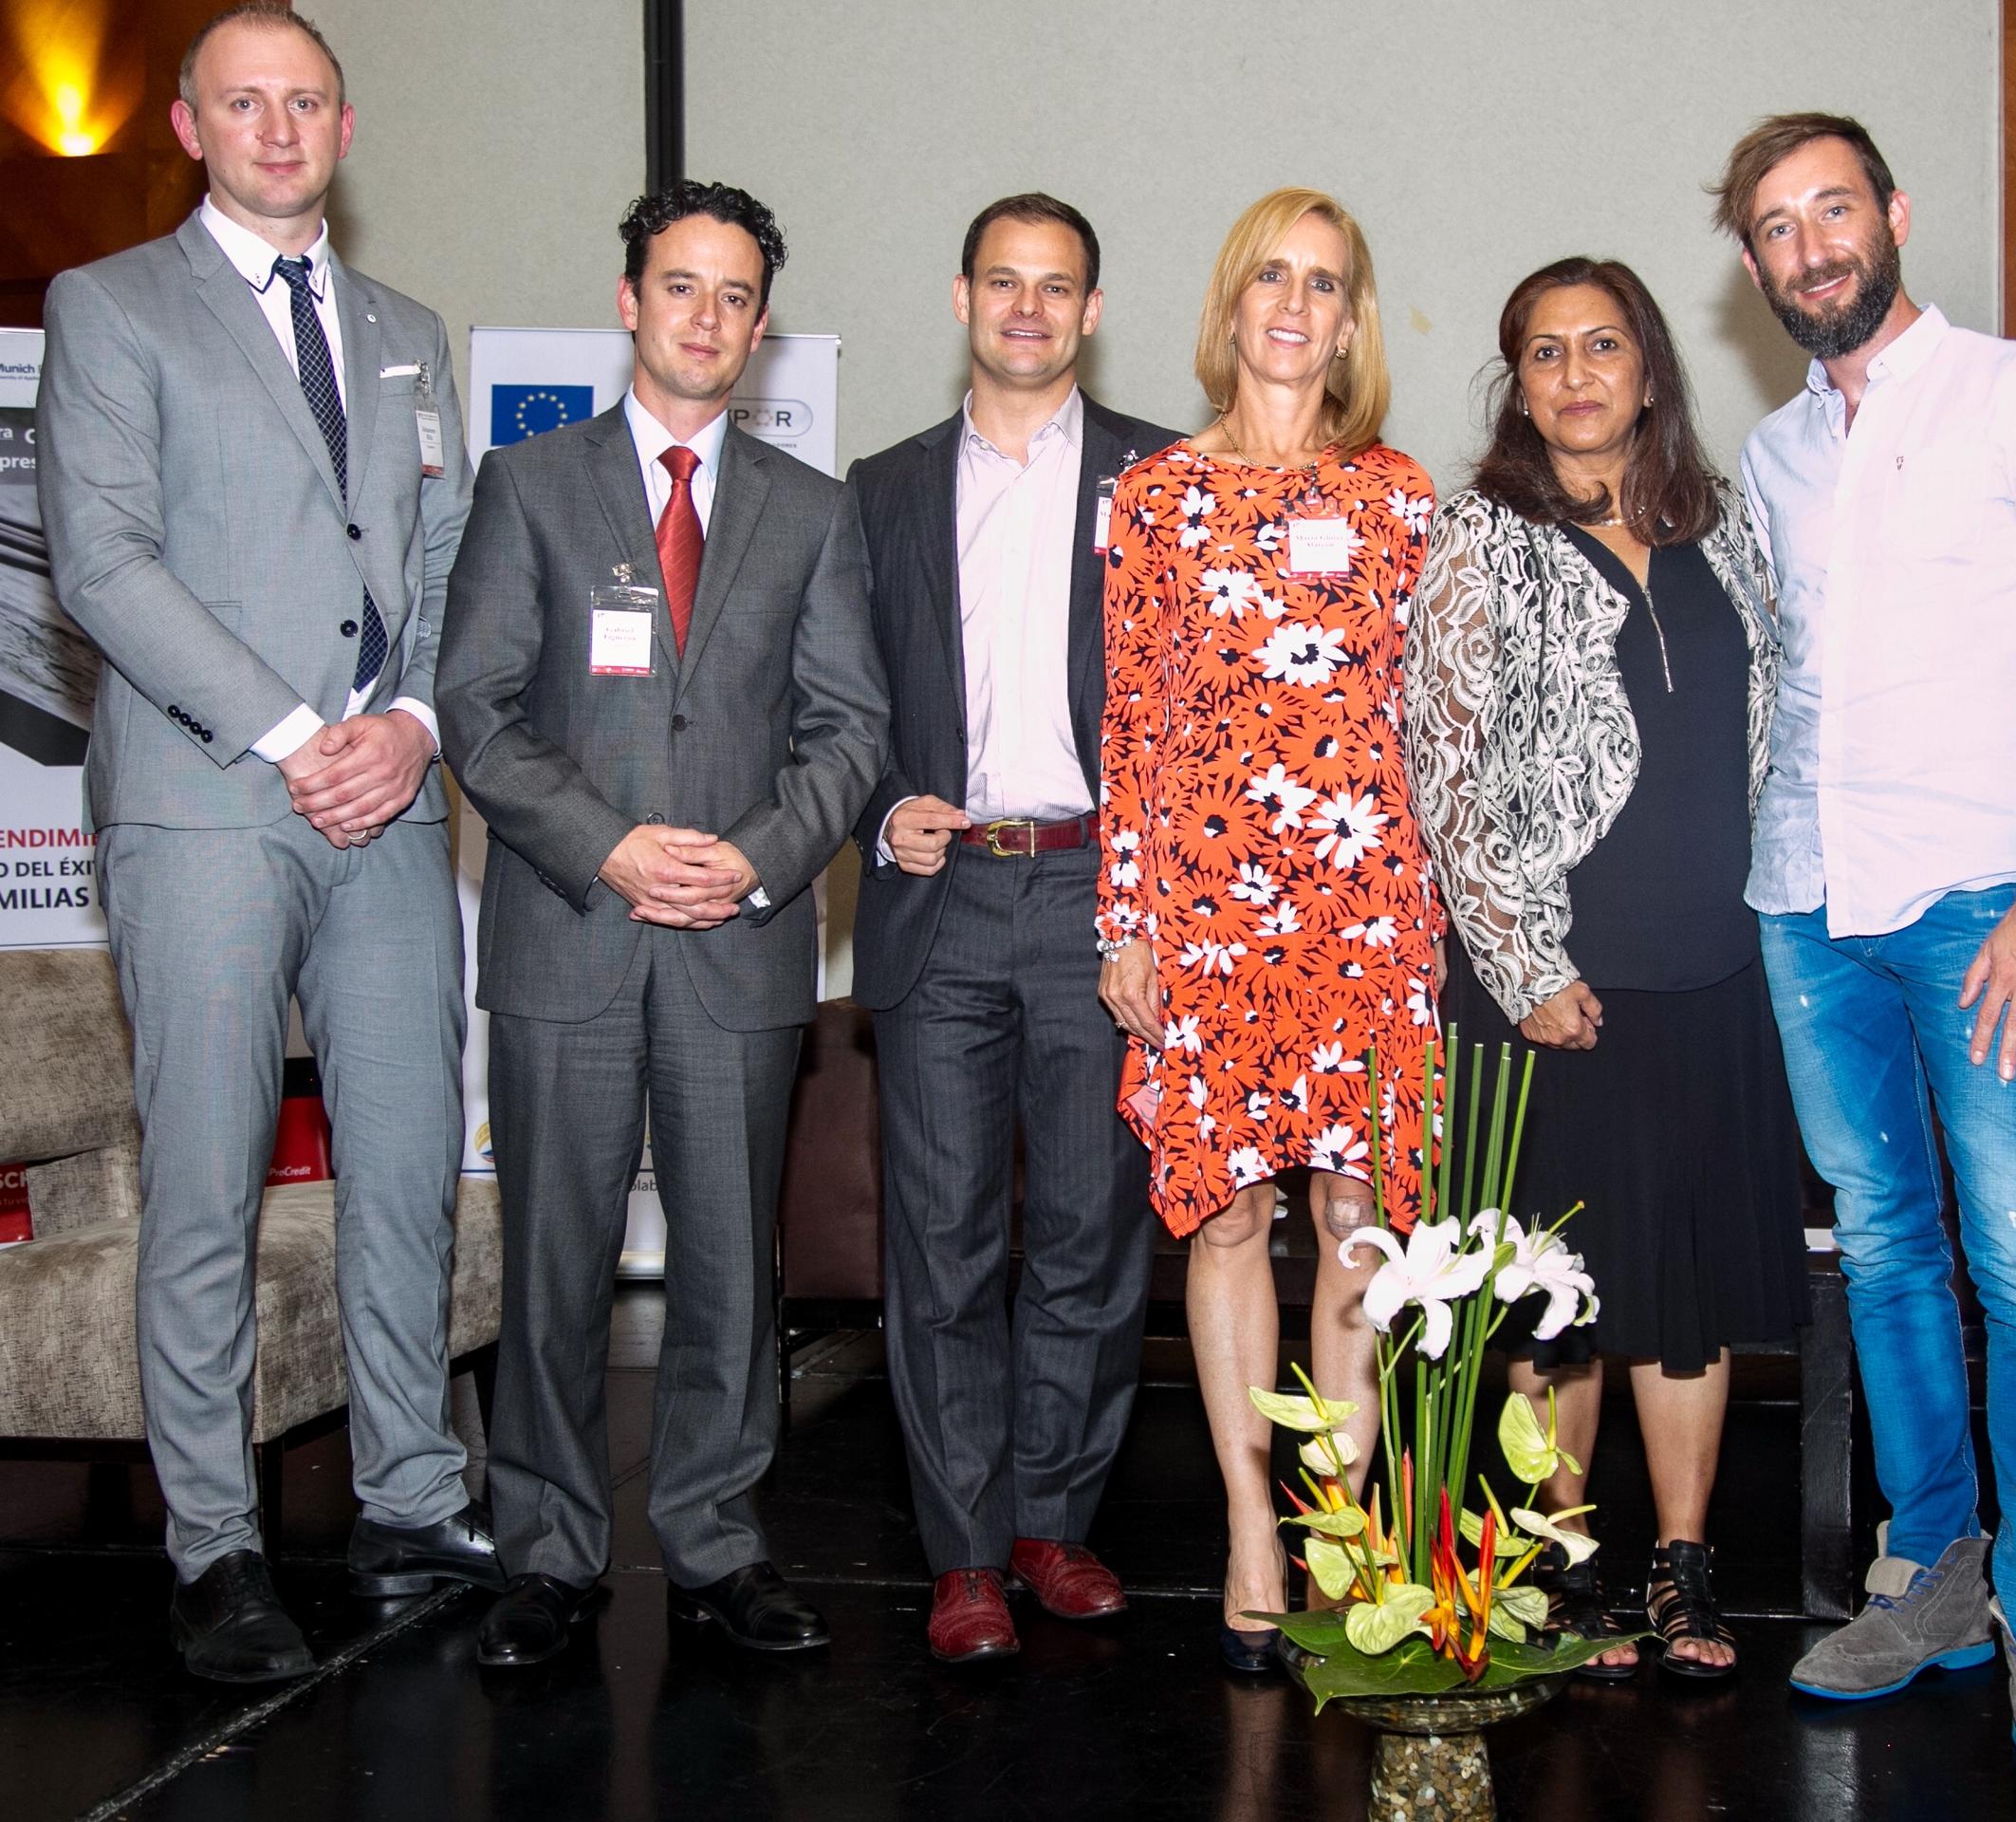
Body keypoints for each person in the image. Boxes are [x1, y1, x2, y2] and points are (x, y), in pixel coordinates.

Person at [36, 3, 498, 1682]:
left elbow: (446, 555)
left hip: (392, 803)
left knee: (406, 1165)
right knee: (209, 1179)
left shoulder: (402, 328)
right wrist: (304, 736)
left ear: (346, 128)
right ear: (190, 126)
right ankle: (217, 1547)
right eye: (246, 103)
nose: (280, 129)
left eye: (306, 101)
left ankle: (410, 1500)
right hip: (210, 802)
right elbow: (103, 562)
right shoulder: (109, 308)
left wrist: (418, 724)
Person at [1719, 112, 2016, 1817]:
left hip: (1985, 896)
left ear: (1892, 214)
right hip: (1806, 899)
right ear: (1753, 263)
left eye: (1833, 209)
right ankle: (1938, 1569)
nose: (1810, 245)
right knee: (1885, 1248)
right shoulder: (1770, 455)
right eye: (1775, 226)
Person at [436, 179, 887, 1668]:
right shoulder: (528, 483)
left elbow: (849, 729)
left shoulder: (814, 512)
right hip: (569, 930)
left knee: (729, 1269)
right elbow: (476, 710)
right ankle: (548, 1552)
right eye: (681, 286)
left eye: (736, 296)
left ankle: (716, 1538)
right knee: (553, 1263)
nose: (707, 316)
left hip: (736, 943)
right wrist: (612, 847)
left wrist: (752, 863)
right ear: (630, 302)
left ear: (761, 329)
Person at [1408, 256, 1806, 1683]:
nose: (1577, 375)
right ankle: (1556, 1563)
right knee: (1554, 1297)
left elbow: (1773, 733)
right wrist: (1521, 962)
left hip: (1713, 967)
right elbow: (1446, 769)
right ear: (1519, 387)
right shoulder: (1480, 540)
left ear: (1650, 371)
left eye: (1603, 346)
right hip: (1551, 987)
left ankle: (1682, 1567)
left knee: (1681, 1292)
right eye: (1546, 353)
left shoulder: (1728, 530)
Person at [1094, 187, 1442, 1673]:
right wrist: (1127, 920)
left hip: (1367, 907)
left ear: (1352, 322)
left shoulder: (1401, 496)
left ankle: (1342, 1529)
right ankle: (1250, 1524)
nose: (1296, 305)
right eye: (1272, 277)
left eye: (1326, 283)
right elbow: (1133, 720)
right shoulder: (1154, 497)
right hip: (1209, 910)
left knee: (1359, 1216)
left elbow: (1438, 720)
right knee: (1228, 1214)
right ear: (1232, 304)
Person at [846, 194, 1180, 1664]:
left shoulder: (1166, 477)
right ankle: (965, 1552)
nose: (1028, 308)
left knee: (1093, 1233)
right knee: (943, 1238)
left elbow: (1204, 705)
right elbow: (835, 693)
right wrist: (879, 805)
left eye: (1056, 286)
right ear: (962, 297)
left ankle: (1052, 1518)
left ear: (1092, 311)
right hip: (942, 894)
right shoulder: (881, 490)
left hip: (1105, 896)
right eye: (1004, 281)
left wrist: (1169, 896)